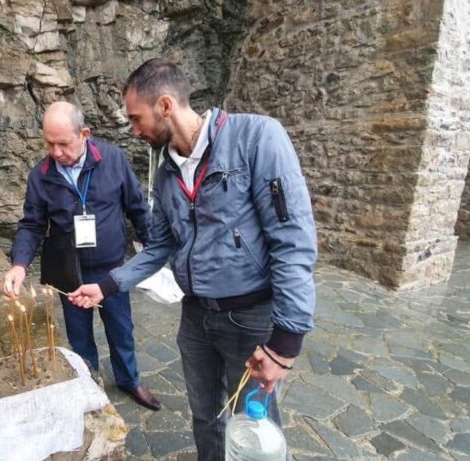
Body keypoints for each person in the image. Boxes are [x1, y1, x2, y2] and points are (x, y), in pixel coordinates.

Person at [68, 58, 317, 460]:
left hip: (250, 319)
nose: (134, 131)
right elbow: (159, 247)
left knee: (255, 431)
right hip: (196, 318)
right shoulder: (166, 173)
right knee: (205, 418)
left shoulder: (258, 138)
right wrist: (107, 286)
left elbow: (293, 241)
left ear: (165, 105)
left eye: (136, 118)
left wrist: (285, 345)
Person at [2, 101, 162, 411]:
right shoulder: (41, 175)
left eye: (63, 143)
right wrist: (19, 265)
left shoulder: (113, 159)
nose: (56, 152)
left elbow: (138, 208)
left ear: (84, 134)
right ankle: (88, 385)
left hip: (111, 271)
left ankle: (129, 380)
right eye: (49, 143)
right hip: (68, 272)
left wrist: (155, 251)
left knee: (121, 329)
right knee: (79, 337)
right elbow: (32, 225)